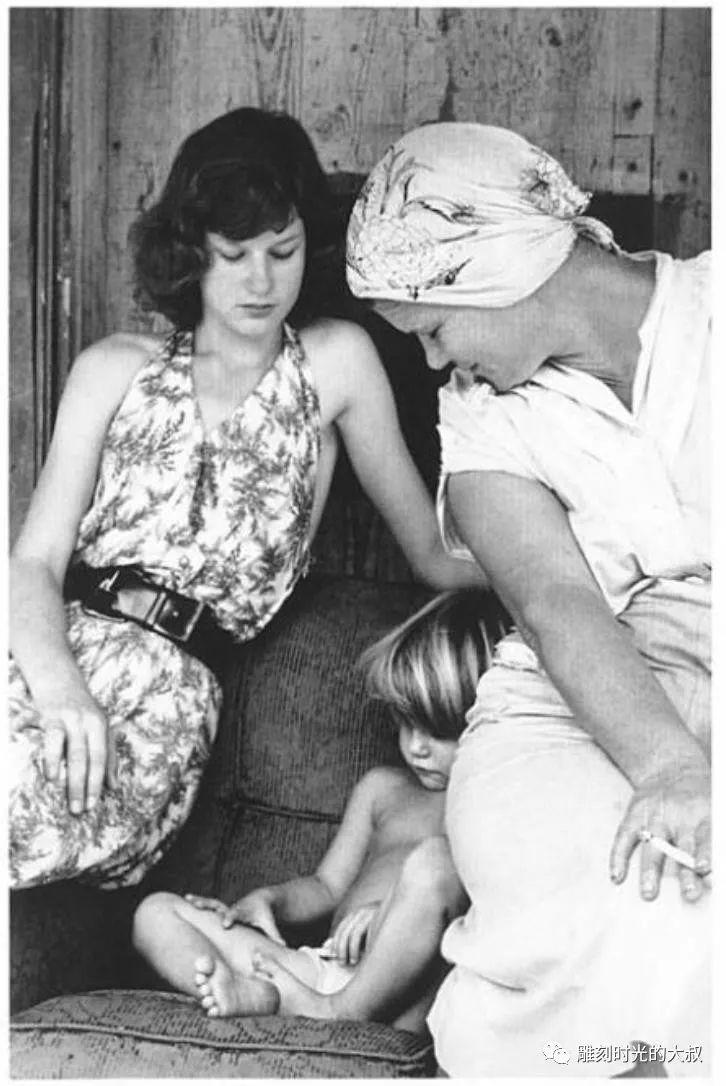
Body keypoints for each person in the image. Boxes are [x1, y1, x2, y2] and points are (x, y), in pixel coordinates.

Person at [8, 108, 485, 892]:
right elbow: (33, 563)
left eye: (282, 251)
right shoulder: (112, 368)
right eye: (233, 254)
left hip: (161, 698)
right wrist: (60, 689)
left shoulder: (335, 363)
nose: (261, 281)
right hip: (43, 659)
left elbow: (433, 554)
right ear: (190, 251)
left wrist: (572, 574)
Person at [346, 123, 711, 1075]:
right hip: (568, 706)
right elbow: (555, 603)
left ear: (496, 269)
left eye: (432, 330)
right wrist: (670, 765)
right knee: (639, 883)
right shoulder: (477, 417)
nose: (434, 364)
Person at [132, 589, 506, 1031]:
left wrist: (388, 912)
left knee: (435, 862)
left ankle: (338, 1012)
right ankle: (249, 992)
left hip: (404, 994)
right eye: (406, 722)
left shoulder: (494, 803)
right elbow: (327, 886)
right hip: (317, 974)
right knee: (155, 913)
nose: (415, 747)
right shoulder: (382, 790)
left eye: (439, 730)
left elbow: (483, 905)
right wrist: (270, 900)